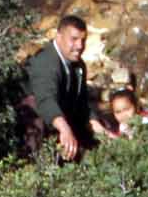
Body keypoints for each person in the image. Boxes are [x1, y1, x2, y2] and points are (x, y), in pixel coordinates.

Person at [25, 13, 97, 162]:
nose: (80, 46)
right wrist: (65, 130)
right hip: (39, 122)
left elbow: (82, 103)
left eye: (83, 40)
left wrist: (97, 125)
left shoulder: (79, 65)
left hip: (61, 119)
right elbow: (45, 100)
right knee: (33, 107)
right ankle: (36, 165)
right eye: (74, 39)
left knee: (101, 126)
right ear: (58, 37)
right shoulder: (45, 62)